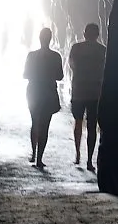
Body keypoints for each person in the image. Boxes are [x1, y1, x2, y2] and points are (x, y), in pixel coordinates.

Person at [67, 21, 106, 171]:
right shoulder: (102, 50)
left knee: (77, 122)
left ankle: (77, 154)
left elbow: (72, 65)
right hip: (95, 92)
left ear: (84, 34)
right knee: (91, 125)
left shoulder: (76, 48)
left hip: (79, 91)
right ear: (97, 35)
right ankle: (90, 159)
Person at [22, 25, 63, 170]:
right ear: (51, 39)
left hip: (33, 91)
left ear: (39, 39)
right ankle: (39, 158)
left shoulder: (32, 56)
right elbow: (60, 76)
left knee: (35, 122)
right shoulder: (56, 56)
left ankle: (33, 153)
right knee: (45, 125)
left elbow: (25, 75)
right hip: (48, 92)